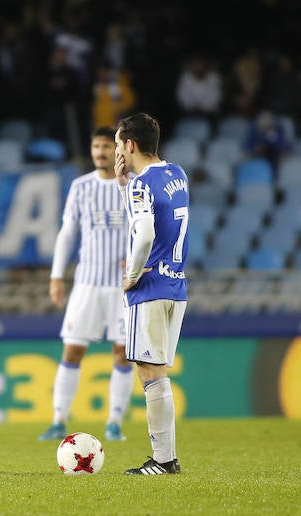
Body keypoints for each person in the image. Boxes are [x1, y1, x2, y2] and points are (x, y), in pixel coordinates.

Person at [38, 127, 134, 443]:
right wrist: (56, 275)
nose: (101, 152)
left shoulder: (132, 186)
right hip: (87, 283)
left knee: (122, 353)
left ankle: (115, 422)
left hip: (123, 286)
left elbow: (146, 228)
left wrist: (135, 259)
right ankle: (58, 420)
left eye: (107, 146)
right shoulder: (81, 187)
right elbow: (67, 232)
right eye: (96, 146)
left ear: (118, 150)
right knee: (73, 349)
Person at [113, 113, 188, 475]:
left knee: (151, 373)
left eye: (117, 144)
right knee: (156, 371)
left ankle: (163, 460)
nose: (116, 151)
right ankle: (166, 458)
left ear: (129, 145)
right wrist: (123, 184)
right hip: (176, 284)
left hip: (150, 287)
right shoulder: (177, 174)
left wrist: (131, 275)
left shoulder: (139, 186)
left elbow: (143, 233)